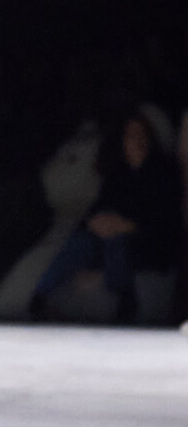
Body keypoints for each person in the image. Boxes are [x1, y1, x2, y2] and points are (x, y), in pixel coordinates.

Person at [31, 109, 180, 324]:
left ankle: (125, 299)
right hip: (112, 243)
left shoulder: (164, 173)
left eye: (141, 134)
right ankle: (40, 297)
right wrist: (96, 222)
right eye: (131, 135)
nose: (137, 140)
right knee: (84, 239)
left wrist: (127, 225)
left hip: (146, 244)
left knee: (115, 238)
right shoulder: (118, 176)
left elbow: (164, 220)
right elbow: (99, 207)